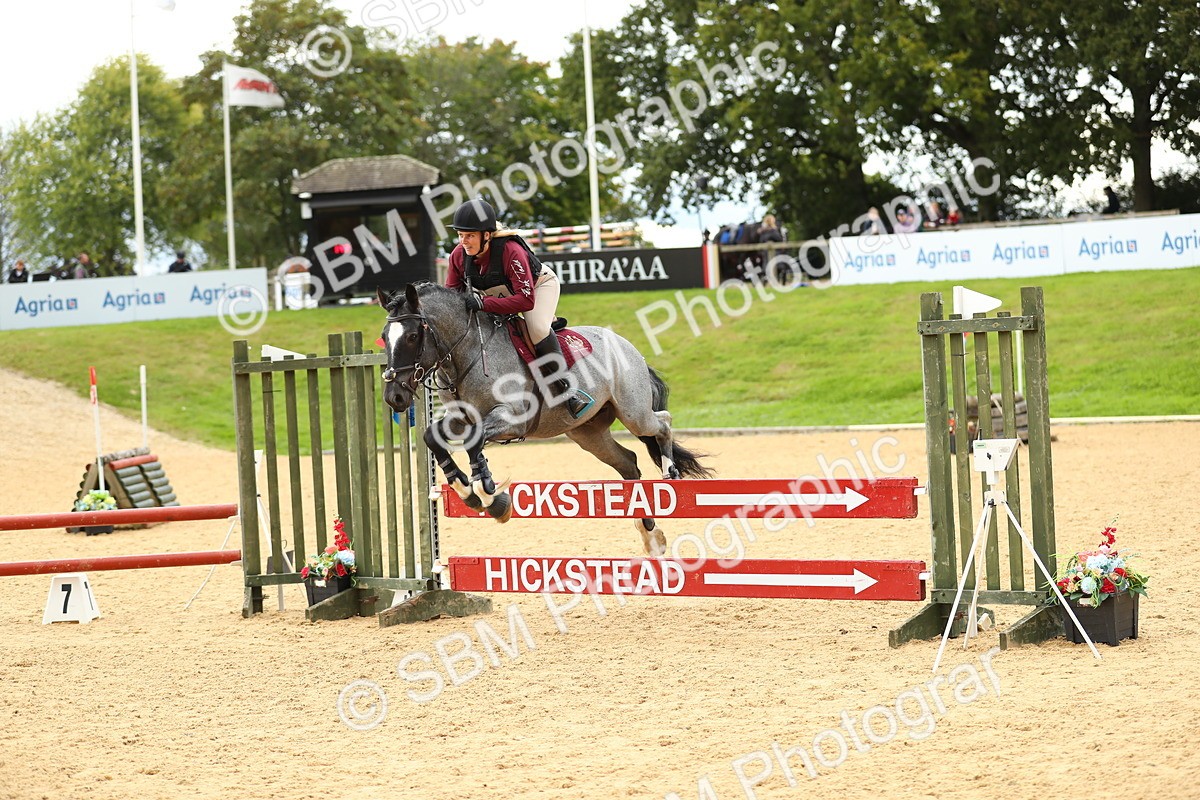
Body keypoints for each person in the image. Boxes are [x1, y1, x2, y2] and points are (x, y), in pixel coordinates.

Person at [445, 198, 594, 419]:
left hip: (537, 287)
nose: (464, 241)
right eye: (460, 235)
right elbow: (451, 296)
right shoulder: (458, 256)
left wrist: (484, 303)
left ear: (487, 235)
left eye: (470, 235)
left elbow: (525, 301)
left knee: (537, 329)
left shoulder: (510, 251)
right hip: (500, 296)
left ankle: (567, 390)